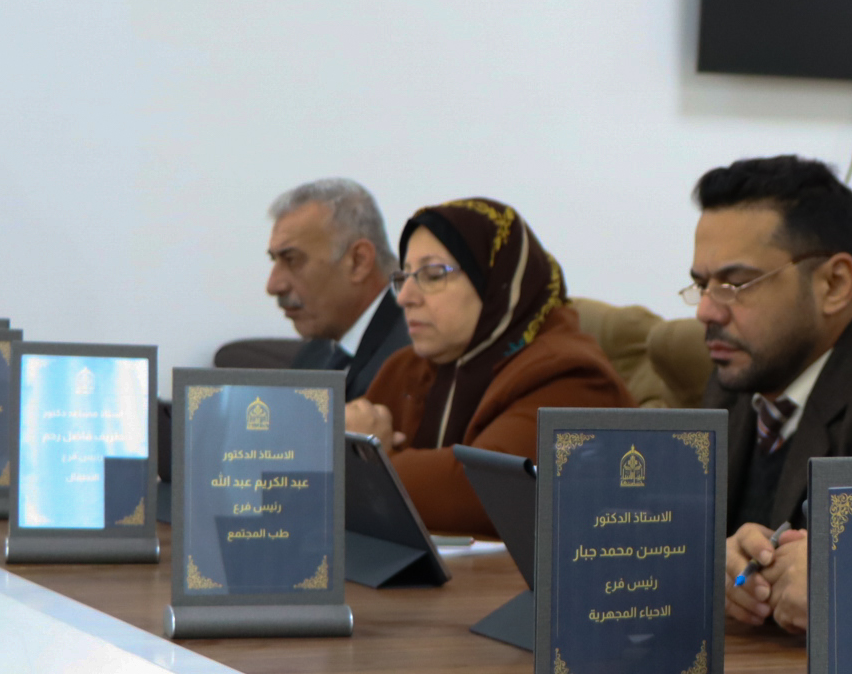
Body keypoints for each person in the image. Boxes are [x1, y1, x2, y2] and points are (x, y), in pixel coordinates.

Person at [694, 158, 852, 632]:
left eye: (736, 284)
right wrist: (717, 565)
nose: (707, 310)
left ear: (834, 284)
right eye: (701, 284)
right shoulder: (736, 375)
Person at [345, 198, 632, 536]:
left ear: (497, 281)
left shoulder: (568, 373)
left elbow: (484, 491)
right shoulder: (404, 368)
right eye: (404, 277)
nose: (405, 297)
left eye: (432, 275)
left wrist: (364, 460)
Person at [264, 179, 409, 398]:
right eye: (275, 261)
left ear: (359, 261)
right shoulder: (313, 356)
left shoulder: (413, 358)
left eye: (291, 259)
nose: (273, 286)